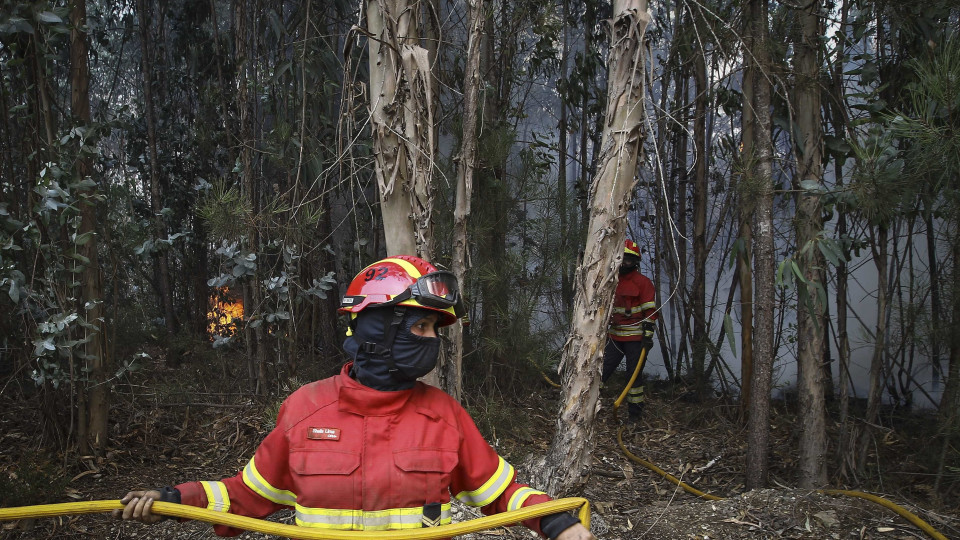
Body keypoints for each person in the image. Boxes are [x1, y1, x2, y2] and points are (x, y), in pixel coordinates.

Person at [115, 255, 595, 540]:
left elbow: (503, 493)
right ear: (376, 328)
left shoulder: (444, 416)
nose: (430, 341)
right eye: (420, 327)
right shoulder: (306, 411)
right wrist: (173, 498)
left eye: (433, 330)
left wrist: (558, 524)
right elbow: (247, 495)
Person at [601, 240, 658, 421]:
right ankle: (590, 408)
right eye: (622, 258)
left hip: (635, 339)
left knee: (633, 379)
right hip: (615, 337)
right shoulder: (610, 281)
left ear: (635, 262)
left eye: (629, 259)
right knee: (600, 372)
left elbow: (650, 313)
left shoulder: (643, 283)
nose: (625, 263)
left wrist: (647, 338)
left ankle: (635, 416)